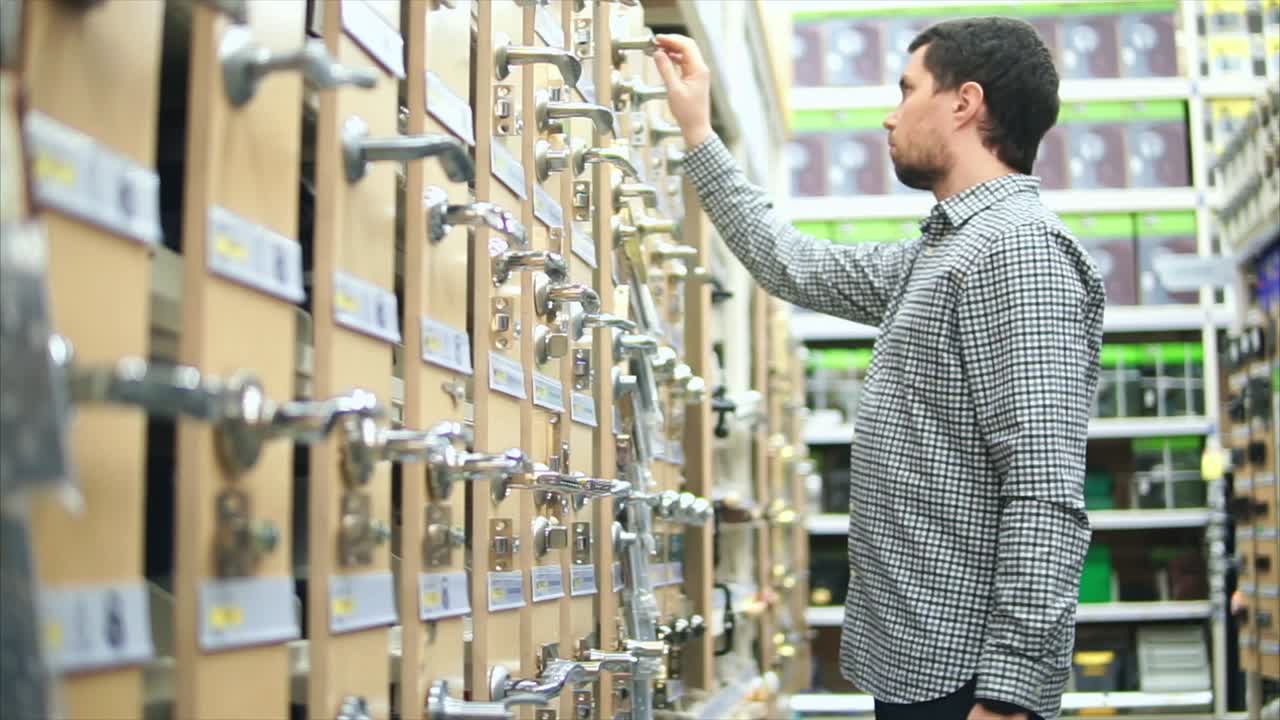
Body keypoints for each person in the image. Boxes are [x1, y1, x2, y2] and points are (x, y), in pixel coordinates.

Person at [652, 17, 1104, 720]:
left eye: (907, 89)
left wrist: (1010, 695)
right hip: (920, 665)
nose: (890, 116)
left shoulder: (1022, 253)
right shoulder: (941, 252)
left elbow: (1045, 488)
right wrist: (698, 133)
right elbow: (792, 263)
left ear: (964, 103)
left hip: (968, 684)